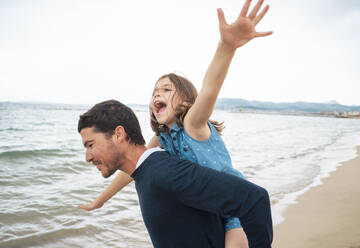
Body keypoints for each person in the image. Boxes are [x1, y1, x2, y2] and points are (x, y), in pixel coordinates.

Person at [78, 0, 273, 247]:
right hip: (207, 206)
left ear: (186, 98)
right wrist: (101, 200)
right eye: (155, 92)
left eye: (167, 89)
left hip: (231, 208)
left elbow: (210, 90)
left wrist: (227, 46)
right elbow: (133, 169)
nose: (157, 95)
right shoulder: (161, 138)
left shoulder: (192, 123)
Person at [78, 99, 273, 248]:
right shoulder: (146, 173)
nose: (87, 157)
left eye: (91, 145)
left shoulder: (164, 172)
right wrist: (99, 201)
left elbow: (254, 199)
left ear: (118, 134)